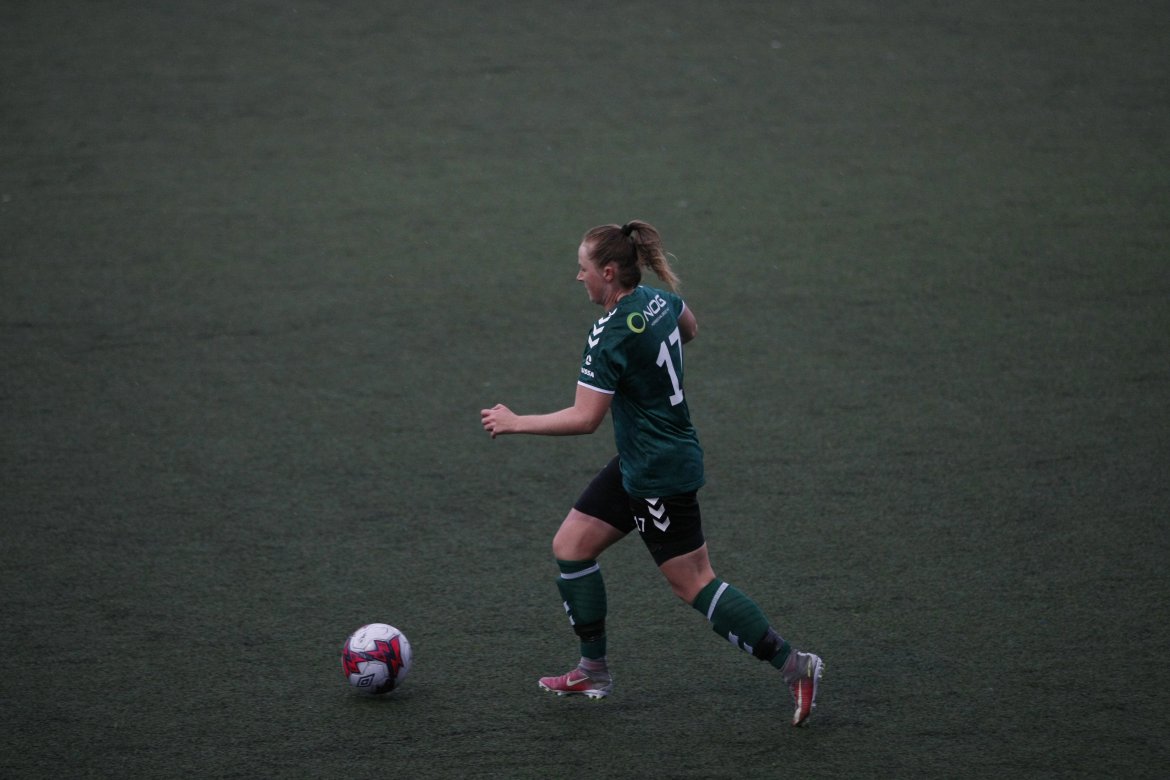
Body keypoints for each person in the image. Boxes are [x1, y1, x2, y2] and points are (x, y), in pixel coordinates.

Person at [480, 220, 824, 726]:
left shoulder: (609, 333)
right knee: (571, 546)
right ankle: (592, 671)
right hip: (643, 457)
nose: (578, 277)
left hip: (658, 474)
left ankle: (795, 665)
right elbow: (691, 328)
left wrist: (515, 423)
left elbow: (586, 418)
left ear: (608, 272)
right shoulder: (658, 301)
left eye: (583, 269)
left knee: (694, 583)